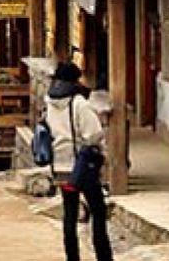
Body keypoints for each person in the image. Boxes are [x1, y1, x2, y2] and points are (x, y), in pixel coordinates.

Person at [46, 61, 112, 261]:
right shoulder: (78, 103)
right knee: (97, 210)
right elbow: (93, 134)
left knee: (70, 214)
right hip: (82, 165)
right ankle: (103, 256)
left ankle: (72, 257)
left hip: (60, 165)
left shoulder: (49, 103)